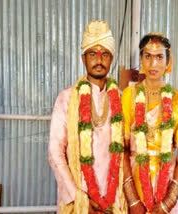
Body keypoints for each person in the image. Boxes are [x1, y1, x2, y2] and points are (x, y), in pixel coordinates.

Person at [49, 20, 127, 214]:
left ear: (111, 59)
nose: (99, 60)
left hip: (115, 202)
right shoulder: (66, 99)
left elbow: (129, 151)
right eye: (93, 53)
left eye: (105, 54)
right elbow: (55, 152)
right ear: (83, 58)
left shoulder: (123, 100)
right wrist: (78, 197)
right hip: (78, 200)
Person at [122, 33, 178, 214]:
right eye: (148, 56)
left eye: (159, 57)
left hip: (167, 182)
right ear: (141, 59)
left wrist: (168, 202)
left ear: (168, 61)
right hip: (134, 181)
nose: (153, 64)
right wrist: (132, 199)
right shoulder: (129, 95)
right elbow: (121, 148)